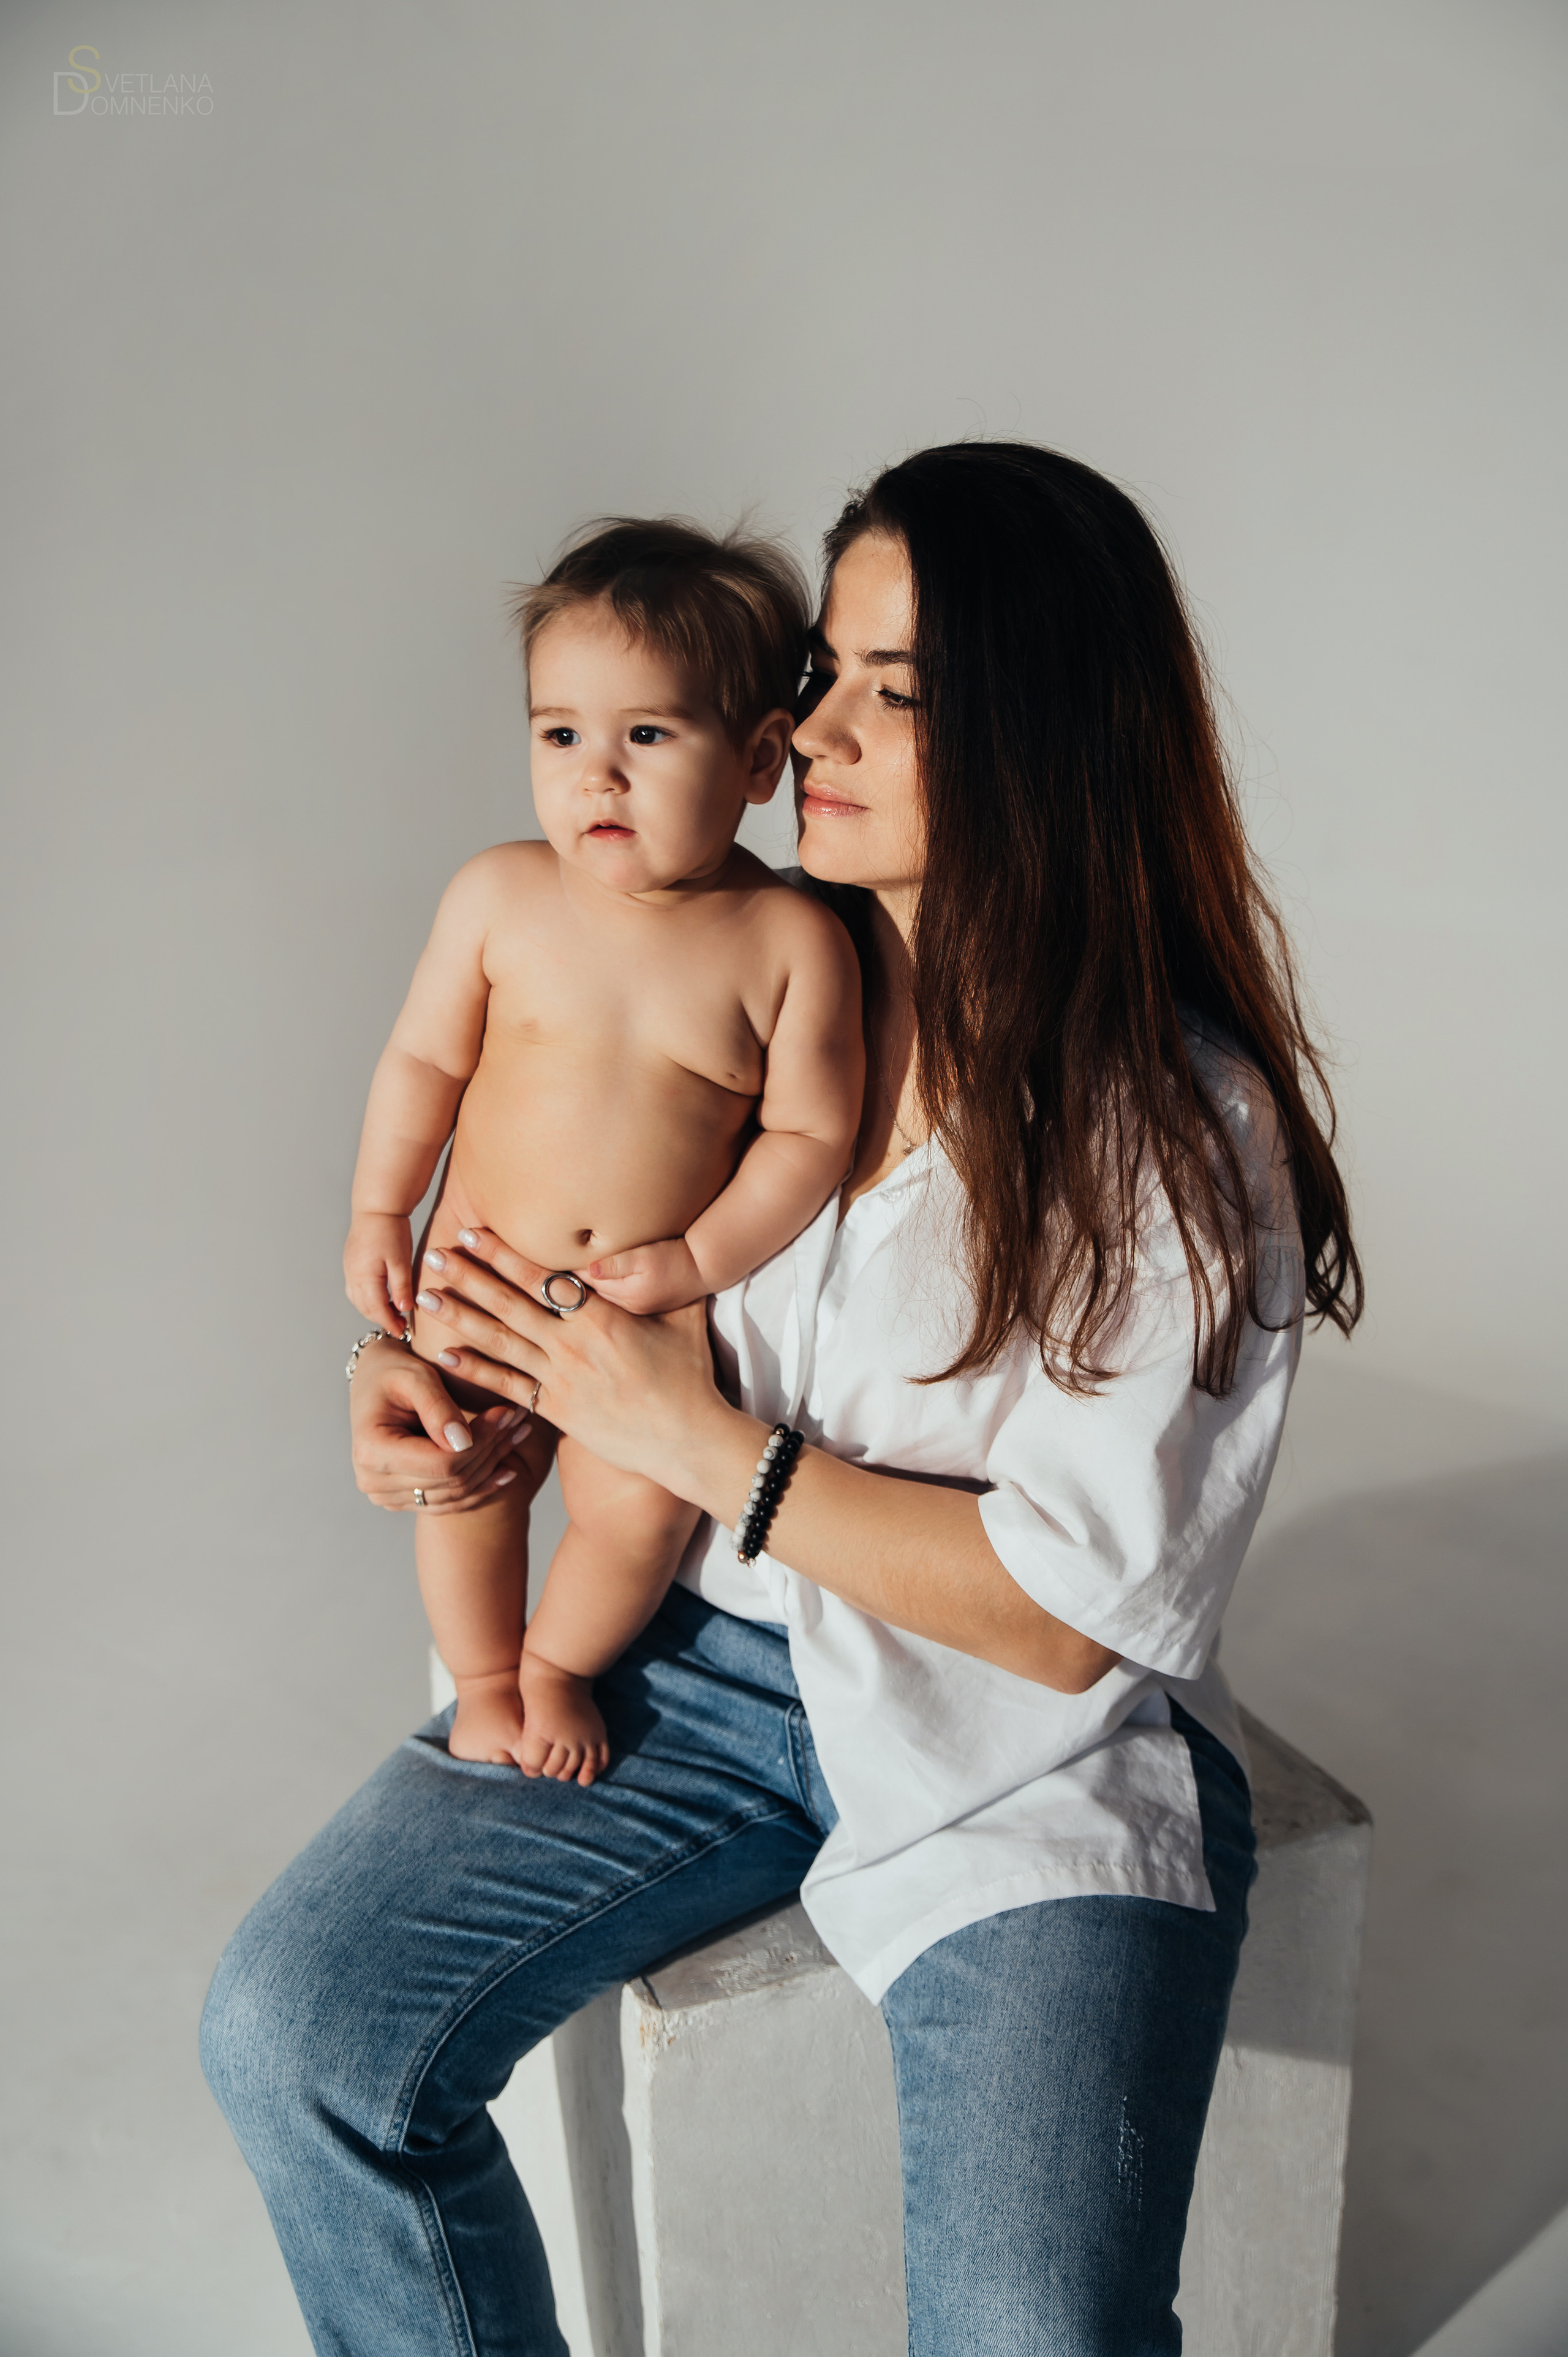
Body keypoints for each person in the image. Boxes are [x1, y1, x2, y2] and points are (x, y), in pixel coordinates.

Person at [202, 440, 1361, 2357]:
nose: (811, 725)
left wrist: (696, 1446)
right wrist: (427, 1379)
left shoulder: (1169, 1123)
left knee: (1031, 2330)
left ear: (1048, 731)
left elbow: (1076, 1622)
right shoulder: (736, 958)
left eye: (898, 693)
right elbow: (543, 1220)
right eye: (826, 669)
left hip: (1022, 1760)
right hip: (698, 1657)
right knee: (298, 2033)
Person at [342, 518, 862, 1784]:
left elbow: (806, 1134)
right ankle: (478, 1678)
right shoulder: (501, 894)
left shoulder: (786, 939)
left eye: (647, 735)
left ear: (755, 759)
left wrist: (692, 1259)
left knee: (637, 1508)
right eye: (560, 734)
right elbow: (423, 1064)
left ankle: (555, 1665)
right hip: (481, 1272)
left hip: (637, 1312)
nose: (596, 776)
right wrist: (377, 1214)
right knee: (462, 1485)